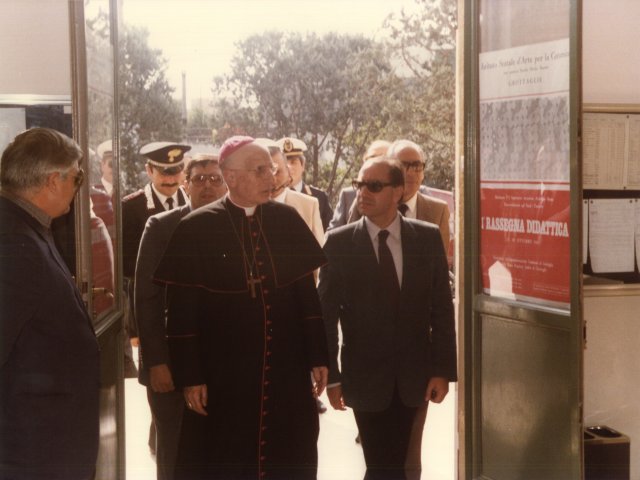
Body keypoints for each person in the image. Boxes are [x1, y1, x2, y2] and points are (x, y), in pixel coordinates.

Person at [154, 136, 329, 479]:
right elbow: (181, 314)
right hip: (223, 376)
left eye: (272, 169)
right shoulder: (195, 228)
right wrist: (191, 377)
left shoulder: (287, 220)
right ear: (231, 176)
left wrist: (319, 355)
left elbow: (306, 296)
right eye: (260, 170)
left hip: (285, 370)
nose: (271, 177)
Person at [318, 157, 457, 480]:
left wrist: (442, 371)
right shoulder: (339, 244)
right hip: (365, 379)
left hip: (415, 378)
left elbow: (441, 307)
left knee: (393, 464)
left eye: (374, 186)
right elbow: (325, 315)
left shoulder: (426, 238)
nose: (363, 193)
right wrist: (333, 378)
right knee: (383, 464)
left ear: (398, 192)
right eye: (360, 185)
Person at [0, 128, 100, 479]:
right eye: (77, 176)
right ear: (53, 180)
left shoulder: (26, 227)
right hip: (31, 452)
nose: (79, 185)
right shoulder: (14, 243)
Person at [135, 154, 227, 480]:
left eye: (215, 178)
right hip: (169, 369)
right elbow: (146, 298)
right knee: (173, 456)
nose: (207, 185)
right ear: (185, 184)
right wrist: (157, 361)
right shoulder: (161, 226)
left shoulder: (237, 224)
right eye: (199, 178)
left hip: (219, 367)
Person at [122, 141, 191, 379]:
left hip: (187, 310)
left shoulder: (196, 204)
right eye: (164, 173)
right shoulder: (131, 208)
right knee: (159, 381)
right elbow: (128, 265)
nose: (171, 180)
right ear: (149, 170)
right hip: (151, 306)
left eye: (176, 172)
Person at [346, 140, 450, 254]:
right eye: (403, 165)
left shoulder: (438, 211)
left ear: (423, 173)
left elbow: (439, 266)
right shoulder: (365, 203)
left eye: (416, 166)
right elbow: (350, 252)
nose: (410, 173)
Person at [258, 138, 324, 247]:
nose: (273, 179)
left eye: (278, 172)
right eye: (267, 173)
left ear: (288, 173)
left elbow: (321, 253)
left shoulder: (309, 205)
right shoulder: (250, 205)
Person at [327, 140, 391, 232]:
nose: (377, 162)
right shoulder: (348, 196)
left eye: (384, 158)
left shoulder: (406, 196)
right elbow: (332, 236)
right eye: (372, 157)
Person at [276, 136, 333, 230]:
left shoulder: (319, 197)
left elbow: (329, 231)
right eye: (284, 163)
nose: (289, 167)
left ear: (303, 166)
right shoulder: (272, 197)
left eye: (293, 162)